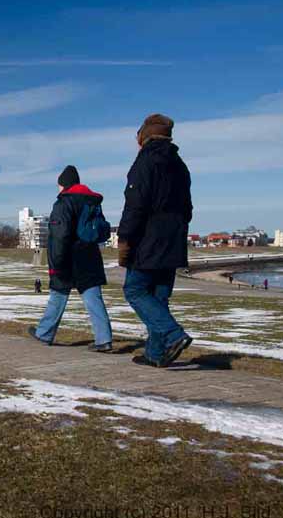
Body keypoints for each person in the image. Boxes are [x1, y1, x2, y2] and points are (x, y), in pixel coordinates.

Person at [118, 114, 194, 368]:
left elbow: (135, 206)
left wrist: (125, 237)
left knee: (135, 290)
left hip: (148, 240)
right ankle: (156, 353)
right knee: (159, 297)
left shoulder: (145, 162)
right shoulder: (180, 165)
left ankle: (173, 334)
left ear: (144, 136)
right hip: (173, 240)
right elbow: (188, 209)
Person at [28, 165, 113, 351]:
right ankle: (104, 338)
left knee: (58, 295)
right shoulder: (92, 202)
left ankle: (44, 333)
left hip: (68, 257)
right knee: (93, 297)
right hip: (89, 256)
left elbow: (60, 235)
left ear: (63, 185)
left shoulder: (63, 203)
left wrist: (56, 262)